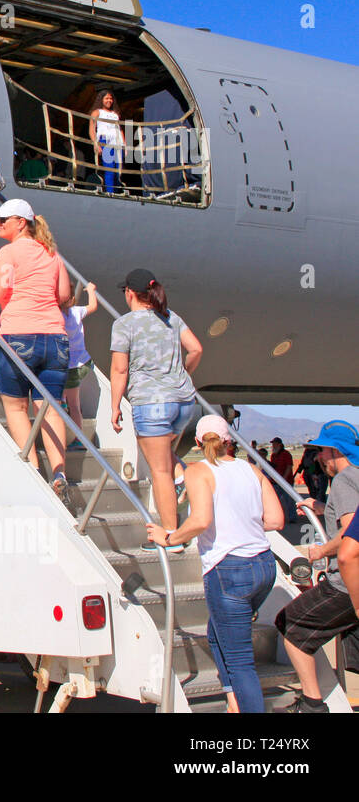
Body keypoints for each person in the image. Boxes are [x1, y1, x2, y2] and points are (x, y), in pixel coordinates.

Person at [145, 415, 284, 713]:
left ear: (197, 442)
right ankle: (233, 700)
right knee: (215, 632)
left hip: (229, 571)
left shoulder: (199, 472)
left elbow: (201, 520)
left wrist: (168, 537)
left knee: (241, 663)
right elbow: (275, 519)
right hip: (263, 566)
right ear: (229, 441)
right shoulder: (251, 470)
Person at [0, 199, 71, 488]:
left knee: (17, 407)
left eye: (4, 219)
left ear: (22, 222)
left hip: (19, 337)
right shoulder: (52, 254)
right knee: (50, 407)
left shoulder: (8, 252)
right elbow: (64, 295)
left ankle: (33, 472)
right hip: (55, 338)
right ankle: (59, 473)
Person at [109, 268, 202, 544]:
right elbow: (196, 349)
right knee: (167, 460)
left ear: (129, 293)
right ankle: (186, 482)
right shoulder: (171, 317)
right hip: (184, 402)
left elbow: (119, 369)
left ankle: (171, 536)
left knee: (159, 471)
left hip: (152, 404)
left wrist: (115, 406)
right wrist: (184, 374)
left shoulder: (125, 324)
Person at [275, 420, 359, 712]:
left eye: (322, 450)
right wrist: (322, 508)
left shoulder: (346, 480)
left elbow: (350, 534)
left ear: (336, 451)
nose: (318, 458)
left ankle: (312, 705)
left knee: (291, 626)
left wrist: (320, 551)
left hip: (346, 584)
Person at [62, 281, 100, 445]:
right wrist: (91, 290)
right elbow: (93, 306)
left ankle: (79, 438)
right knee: (76, 405)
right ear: (72, 299)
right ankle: (79, 439)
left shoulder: (57, 316)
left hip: (68, 367)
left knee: (72, 403)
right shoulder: (77, 311)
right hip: (82, 362)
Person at [89, 90, 124, 194]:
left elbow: (120, 129)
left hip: (118, 143)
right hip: (105, 142)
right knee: (109, 170)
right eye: (106, 98)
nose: (109, 100)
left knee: (118, 171)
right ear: (101, 100)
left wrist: (125, 145)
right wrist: (96, 143)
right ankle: (110, 193)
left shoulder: (115, 114)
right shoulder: (97, 112)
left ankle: (117, 192)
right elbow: (92, 129)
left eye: (111, 98)